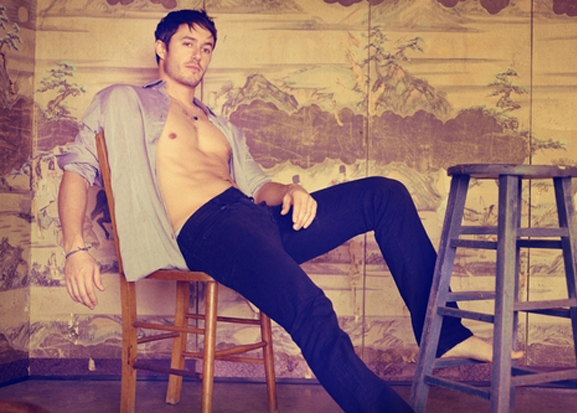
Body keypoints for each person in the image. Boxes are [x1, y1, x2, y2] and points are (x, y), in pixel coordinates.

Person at [57, 9, 512, 412]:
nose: (198, 55)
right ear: (162, 47)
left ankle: (447, 336)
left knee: (385, 194)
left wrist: (292, 189)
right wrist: (75, 248)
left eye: (207, 47)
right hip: (208, 229)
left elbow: (258, 186)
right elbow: (78, 170)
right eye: (188, 43)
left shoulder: (221, 126)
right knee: (311, 309)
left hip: (254, 218)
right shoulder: (124, 101)